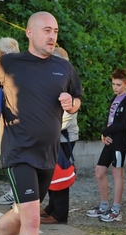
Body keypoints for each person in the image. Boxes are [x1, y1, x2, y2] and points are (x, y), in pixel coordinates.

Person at [0, 11, 83, 235]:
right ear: (29, 32)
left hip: (47, 153)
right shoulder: (10, 63)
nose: (52, 36)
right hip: (17, 149)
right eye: (46, 30)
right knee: (32, 219)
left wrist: (72, 103)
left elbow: (77, 99)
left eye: (55, 31)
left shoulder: (64, 67)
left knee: (21, 212)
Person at [85, 69, 126, 222]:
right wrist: (104, 134)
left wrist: (106, 131)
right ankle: (104, 205)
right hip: (109, 141)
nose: (115, 87)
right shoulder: (114, 99)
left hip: (120, 142)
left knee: (116, 172)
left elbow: (124, 124)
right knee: (99, 171)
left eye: (119, 85)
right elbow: (110, 120)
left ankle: (116, 209)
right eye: (113, 84)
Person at [40, 47, 79, 224]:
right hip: (54, 135)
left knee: (60, 175)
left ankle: (60, 214)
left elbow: (69, 113)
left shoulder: (67, 81)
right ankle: (52, 208)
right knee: (51, 173)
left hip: (63, 137)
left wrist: (46, 126)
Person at [0, 37, 20, 205]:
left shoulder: (8, 69)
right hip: (9, 121)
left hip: (14, 124)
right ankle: (16, 194)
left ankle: (16, 195)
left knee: (12, 160)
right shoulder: (19, 67)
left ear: (2, 53)